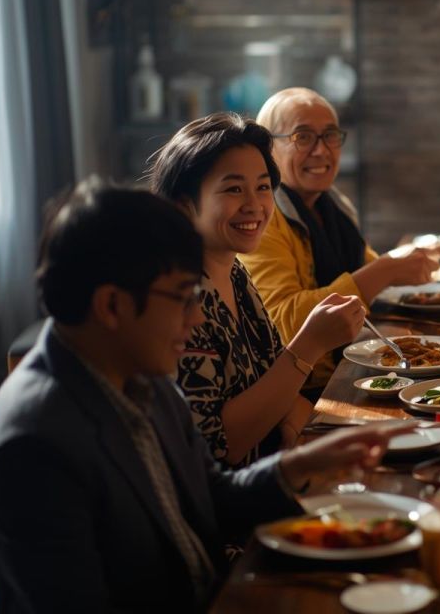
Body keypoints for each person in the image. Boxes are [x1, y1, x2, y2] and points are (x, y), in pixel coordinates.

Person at [0, 181, 417, 613]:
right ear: (111, 306)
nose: (196, 317)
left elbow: (208, 497)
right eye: (183, 298)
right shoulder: (35, 445)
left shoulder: (137, 370)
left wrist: (300, 464)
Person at [147, 113, 365, 468]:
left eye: (263, 187)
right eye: (234, 189)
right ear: (184, 204)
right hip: (231, 494)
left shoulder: (234, 272)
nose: (255, 205)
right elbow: (219, 447)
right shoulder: (178, 297)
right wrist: (309, 345)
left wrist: (293, 432)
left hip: (271, 473)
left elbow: (279, 386)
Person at [240, 88, 439, 394]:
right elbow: (280, 324)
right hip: (303, 389)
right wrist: (385, 270)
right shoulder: (263, 219)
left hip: (350, 366)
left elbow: (369, 267)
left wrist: (406, 262)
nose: (321, 150)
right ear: (269, 150)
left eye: (330, 135)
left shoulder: (333, 204)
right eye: (303, 137)